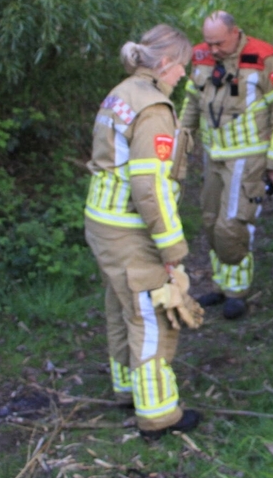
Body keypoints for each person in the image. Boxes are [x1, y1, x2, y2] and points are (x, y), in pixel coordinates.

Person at [84, 24, 205, 440]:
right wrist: (172, 247)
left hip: (102, 222)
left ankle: (126, 388)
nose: (184, 77)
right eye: (182, 68)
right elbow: (149, 187)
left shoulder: (122, 92)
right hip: (129, 229)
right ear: (166, 63)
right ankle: (158, 416)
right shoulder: (154, 108)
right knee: (153, 317)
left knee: (121, 306)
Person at [181, 11, 273, 320]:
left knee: (232, 224)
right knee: (210, 219)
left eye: (219, 43)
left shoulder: (263, 59)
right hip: (212, 153)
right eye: (208, 42)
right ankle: (222, 284)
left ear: (235, 33)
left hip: (248, 154)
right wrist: (180, 143)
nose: (213, 49)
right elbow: (191, 103)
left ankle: (237, 293)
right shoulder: (202, 58)